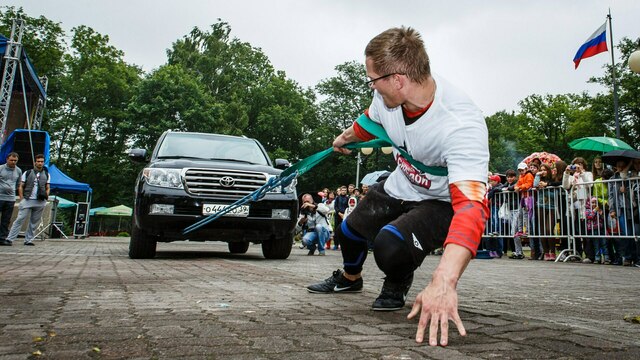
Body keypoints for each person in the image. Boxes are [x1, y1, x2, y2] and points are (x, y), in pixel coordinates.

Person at [306, 27, 489, 347]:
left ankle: (397, 281)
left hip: (439, 200)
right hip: (401, 183)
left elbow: (472, 208)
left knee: (389, 247)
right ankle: (350, 280)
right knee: (348, 232)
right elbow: (368, 122)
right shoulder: (385, 96)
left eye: (372, 79)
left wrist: (444, 280)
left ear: (398, 79)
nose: (371, 85)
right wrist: (342, 140)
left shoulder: (461, 125)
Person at [6, 154, 50, 246]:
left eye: (42, 162)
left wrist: (46, 196)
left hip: (40, 201)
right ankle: (10, 239)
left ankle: (28, 240)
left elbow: (48, 187)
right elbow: (21, 186)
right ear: (35, 162)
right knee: (20, 219)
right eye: (38, 161)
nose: (40, 163)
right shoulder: (27, 172)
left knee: (34, 222)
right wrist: (22, 198)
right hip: (27, 199)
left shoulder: (46, 174)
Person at [0, 152, 22, 246]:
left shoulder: (18, 171)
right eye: (11, 160)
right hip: (0, 197)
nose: (13, 162)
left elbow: (18, 184)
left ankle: (2, 238)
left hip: (10, 199)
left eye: (15, 160)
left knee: (6, 219)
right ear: (7, 159)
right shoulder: (1, 168)